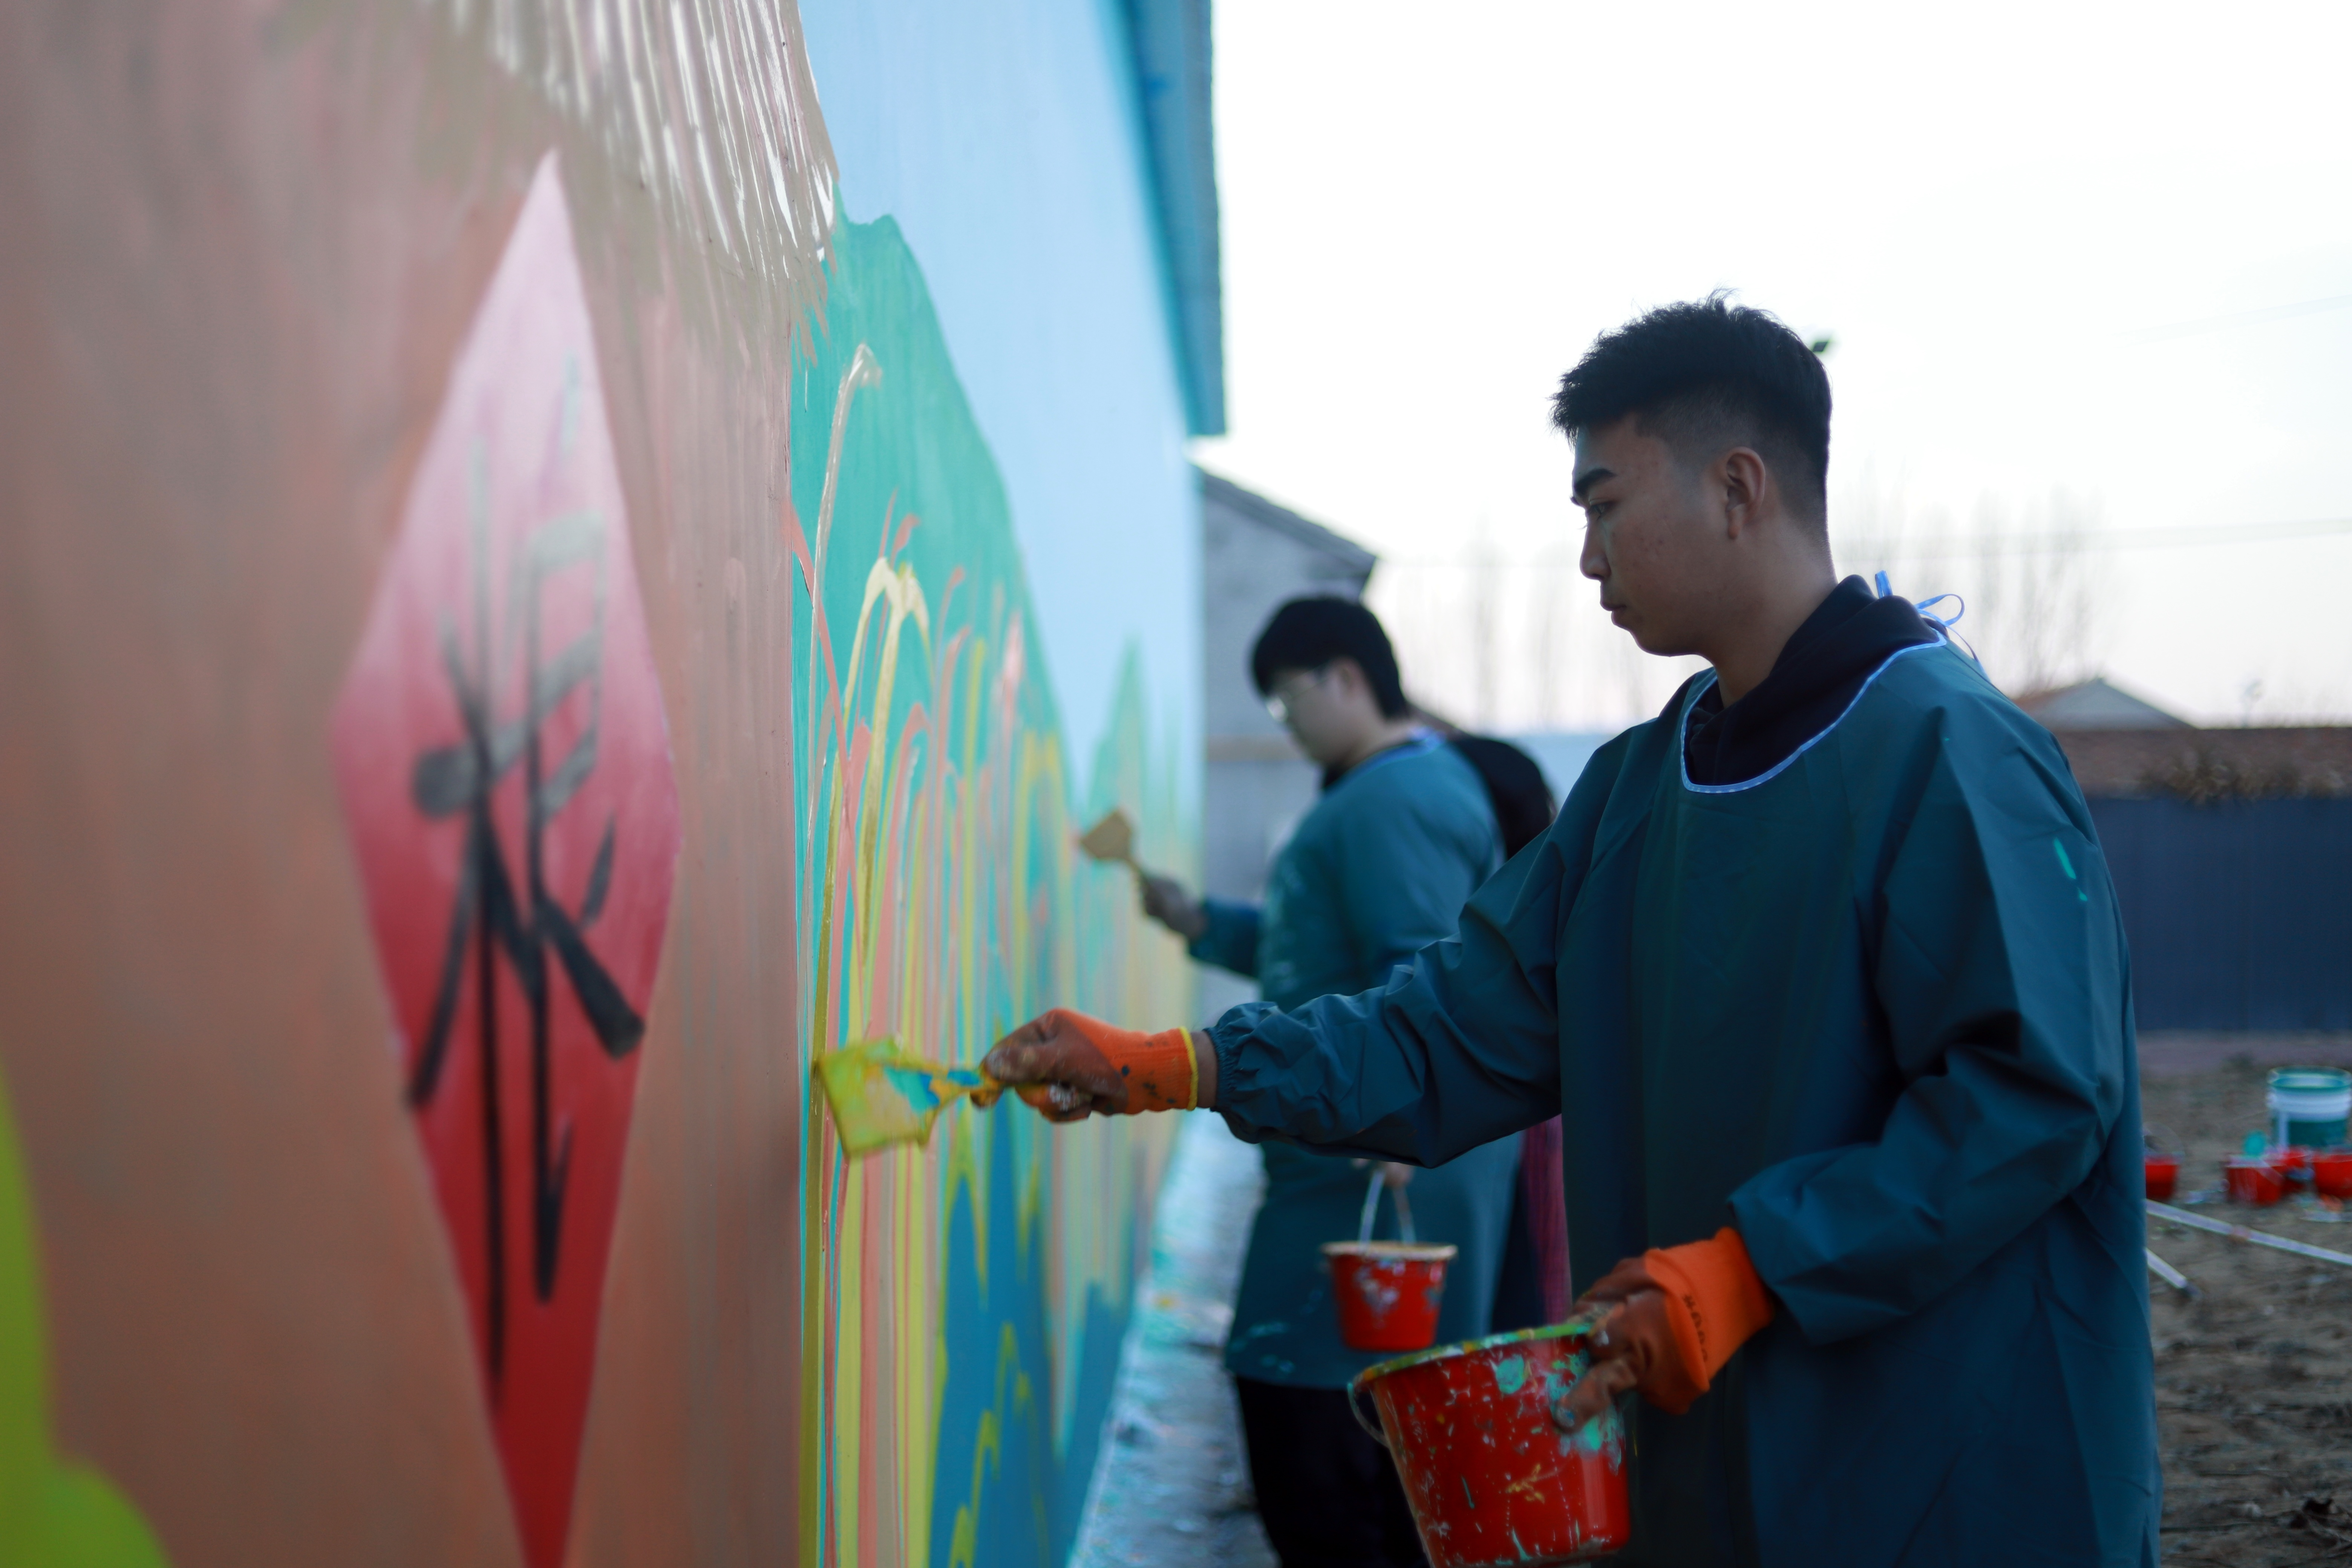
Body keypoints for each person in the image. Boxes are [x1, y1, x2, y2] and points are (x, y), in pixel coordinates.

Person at [990, 298, 2159, 1566]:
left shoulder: (1950, 750)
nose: (1590, 559)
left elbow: (2031, 1098)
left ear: (1737, 488)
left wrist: (1746, 1271)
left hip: (1942, 1463)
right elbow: (1449, 1028)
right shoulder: (1639, 793)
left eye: (1603, 505)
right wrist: (1183, 1067)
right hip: (1709, 1450)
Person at [1138, 597, 1523, 1568]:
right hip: (1350, 1168)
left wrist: (1386, 1134)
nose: (1287, 723)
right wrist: (1203, 923)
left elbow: (1422, 993)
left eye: (1285, 700)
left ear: (1345, 678)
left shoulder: (1397, 802)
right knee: (1342, 1456)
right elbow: (1319, 952)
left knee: (1334, 1466)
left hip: (1370, 1186)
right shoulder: (1386, 794)